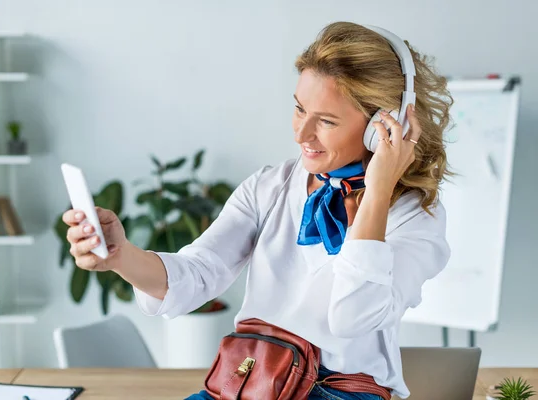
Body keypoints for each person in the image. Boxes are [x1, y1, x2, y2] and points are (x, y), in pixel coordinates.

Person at [62, 21, 453, 400]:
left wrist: (379, 190)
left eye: (327, 121)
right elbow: (197, 272)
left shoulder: (414, 219)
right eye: (300, 109)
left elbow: (351, 318)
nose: (301, 134)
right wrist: (119, 255)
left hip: (339, 393)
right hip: (251, 381)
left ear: (384, 127)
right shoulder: (272, 186)